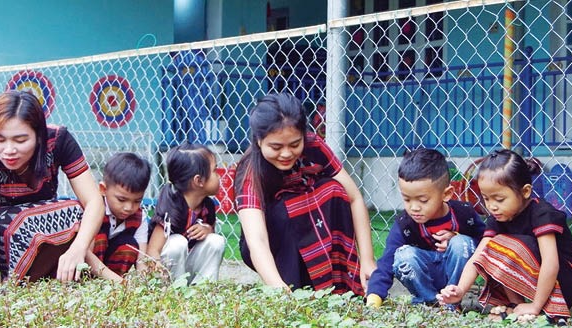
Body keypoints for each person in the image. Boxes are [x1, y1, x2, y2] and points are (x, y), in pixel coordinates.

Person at [0, 90, 103, 284]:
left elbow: (94, 201)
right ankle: (17, 283)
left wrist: (78, 249)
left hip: (42, 230)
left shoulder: (58, 140)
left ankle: (61, 275)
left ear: (39, 135)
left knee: (75, 212)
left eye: (20, 140)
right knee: (26, 222)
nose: (9, 150)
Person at [234, 93, 376, 294]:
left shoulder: (314, 145)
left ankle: (341, 286)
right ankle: (291, 285)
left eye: (294, 144)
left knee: (334, 190)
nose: (286, 154)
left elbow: (354, 198)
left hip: (311, 225)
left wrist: (368, 261)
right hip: (272, 239)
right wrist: (277, 287)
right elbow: (256, 239)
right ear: (258, 140)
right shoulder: (250, 170)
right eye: (276, 147)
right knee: (286, 210)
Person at [439, 149, 572, 323]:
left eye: (499, 199)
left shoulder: (541, 213)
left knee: (503, 244)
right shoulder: (498, 217)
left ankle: (539, 309)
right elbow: (479, 256)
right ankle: (516, 306)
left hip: (562, 283)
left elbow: (551, 264)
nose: (492, 206)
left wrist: (536, 305)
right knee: (492, 247)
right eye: (486, 198)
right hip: (531, 280)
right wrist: (461, 290)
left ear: (525, 191)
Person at [365, 148, 485, 308]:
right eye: (407, 199)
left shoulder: (464, 214)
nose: (414, 207)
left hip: (455, 277)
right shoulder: (405, 224)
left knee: (461, 243)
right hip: (425, 275)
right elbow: (386, 263)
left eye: (422, 200)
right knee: (403, 255)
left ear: (446, 194)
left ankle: (451, 304)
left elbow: (485, 243)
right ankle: (430, 301)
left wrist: (455, 237)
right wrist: (373, 298)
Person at [146, 143, 226, 284]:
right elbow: (152, 251)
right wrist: (157, 274)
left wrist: (208, 229)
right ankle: (175, 291)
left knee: (216, 241)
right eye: (215, 171)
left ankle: (203, 289)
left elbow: (209, 239)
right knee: (177, 242)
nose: (219, 176)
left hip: (188, 266)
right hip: (166, 273)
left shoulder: (207, 206)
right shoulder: (171, 208)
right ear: (198, 180)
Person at [84, 152, 152, 282]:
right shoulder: (93, 209)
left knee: (129, 244)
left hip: (114, 276)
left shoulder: (139, 217)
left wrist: (144, 284)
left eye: (137, 201)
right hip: (86, 268)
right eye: (121, 199)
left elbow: (142, 260)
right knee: (98, 236)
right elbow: (85, 253)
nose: (129, 207)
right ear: (103, 189)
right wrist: (120, 283)